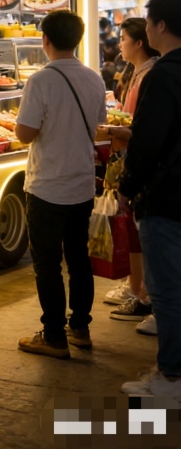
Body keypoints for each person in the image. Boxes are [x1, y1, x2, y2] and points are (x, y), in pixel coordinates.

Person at [15, 9, 107, 358]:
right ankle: (80, 328)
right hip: (81, 185)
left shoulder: (40, 81)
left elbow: (25, 134)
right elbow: (98, 126)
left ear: (45, 41)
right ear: (78, 39)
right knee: (79, 259)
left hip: (47, 187)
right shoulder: (94, 78)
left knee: (48, 264)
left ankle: (53, 335)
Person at [119, 0, 181, 399]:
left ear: (158, 26)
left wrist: (127, 186)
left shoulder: (163, 74)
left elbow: (148, 141)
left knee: (167, 291)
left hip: (166, 196)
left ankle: (172, 379)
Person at [104, 18, 160, 331]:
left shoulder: (153, 74)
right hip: (135, 157)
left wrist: (115, 128)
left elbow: (143, 128)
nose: (120, 42)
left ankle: (148, 299)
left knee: (147, 235)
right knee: (137, 231)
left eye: (124, 38)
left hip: (145, 164)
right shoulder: (137, 71)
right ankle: (139, 289)